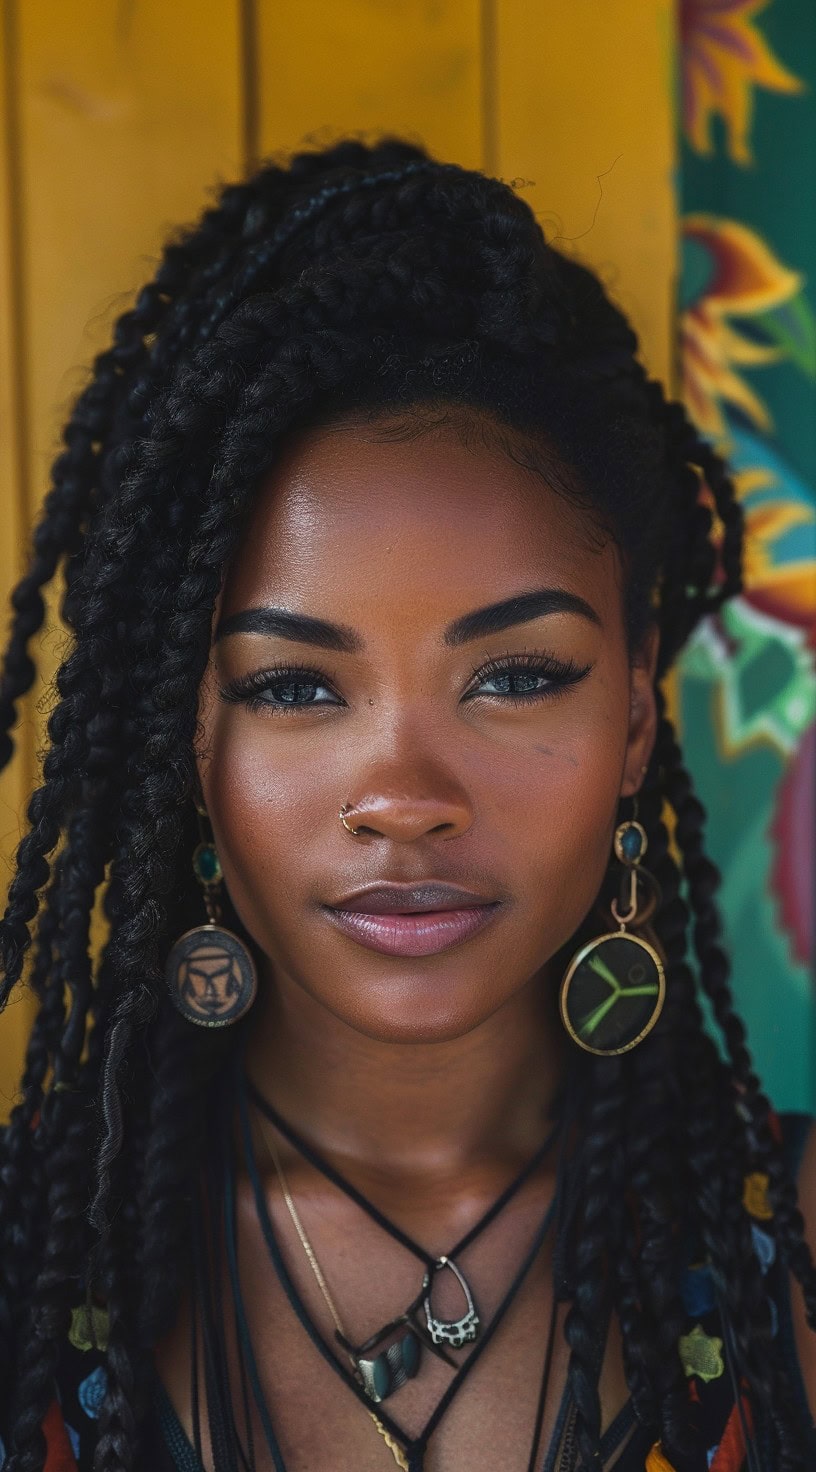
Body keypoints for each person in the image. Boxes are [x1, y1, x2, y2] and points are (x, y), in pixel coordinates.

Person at [0, 137, 814, 1472]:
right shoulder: (31, 1256)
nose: (405, 799)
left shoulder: (793, 1245)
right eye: (293, 688)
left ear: (632, 717)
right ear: (183, 740)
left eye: (514, 675)